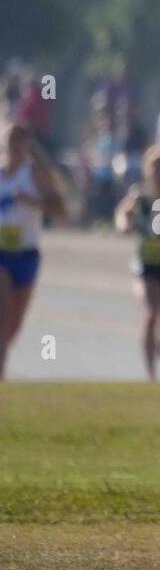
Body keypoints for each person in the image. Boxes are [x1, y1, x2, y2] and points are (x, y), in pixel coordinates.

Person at [114, 146, 160, 380]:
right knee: (150, 313)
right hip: (147, 264)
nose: (159, 172)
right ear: (147, 169)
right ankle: (151, 376)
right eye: (155, 167)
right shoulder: (139, 195)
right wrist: (124, 224)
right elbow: (124, 212)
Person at [0, 121, 66, 379]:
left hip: (26, 255)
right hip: (1, 255)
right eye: (9, 140)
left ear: (27, 145)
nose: (13, 146)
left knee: (13, 327)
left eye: (19, 141)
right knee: (2, 318)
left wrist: (32, 201)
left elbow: (61, 211)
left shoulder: (35, 174)